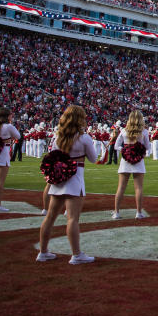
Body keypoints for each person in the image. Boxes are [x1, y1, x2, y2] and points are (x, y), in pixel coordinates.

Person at [37, 104, 98, 264]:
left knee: (50, 216)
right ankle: (76, 254)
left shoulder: (57, 137)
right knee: (72, 219)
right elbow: (93, 158)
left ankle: (43, 252)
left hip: (59, 178)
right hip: (75, 178)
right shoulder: (84, 138)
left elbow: (53, 155)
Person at [112, 110, 151, 220]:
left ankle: (116, 212)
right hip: (138, 161)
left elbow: (116, 146)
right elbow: (148, 148)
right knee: (138, 188)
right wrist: (142, 154)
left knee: (121, 187)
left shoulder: (124, 131)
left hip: (125, 161)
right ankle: (138, 213)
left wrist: (125, 151)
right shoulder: (144, 132)